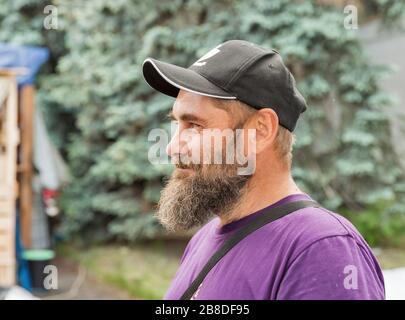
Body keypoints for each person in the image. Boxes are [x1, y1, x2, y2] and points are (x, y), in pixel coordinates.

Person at [142, 40, 385, 300]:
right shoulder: (201, 241)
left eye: (195, 126)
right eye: (176, 124)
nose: (172, 147)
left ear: (260, 131)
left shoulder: (321, 249)